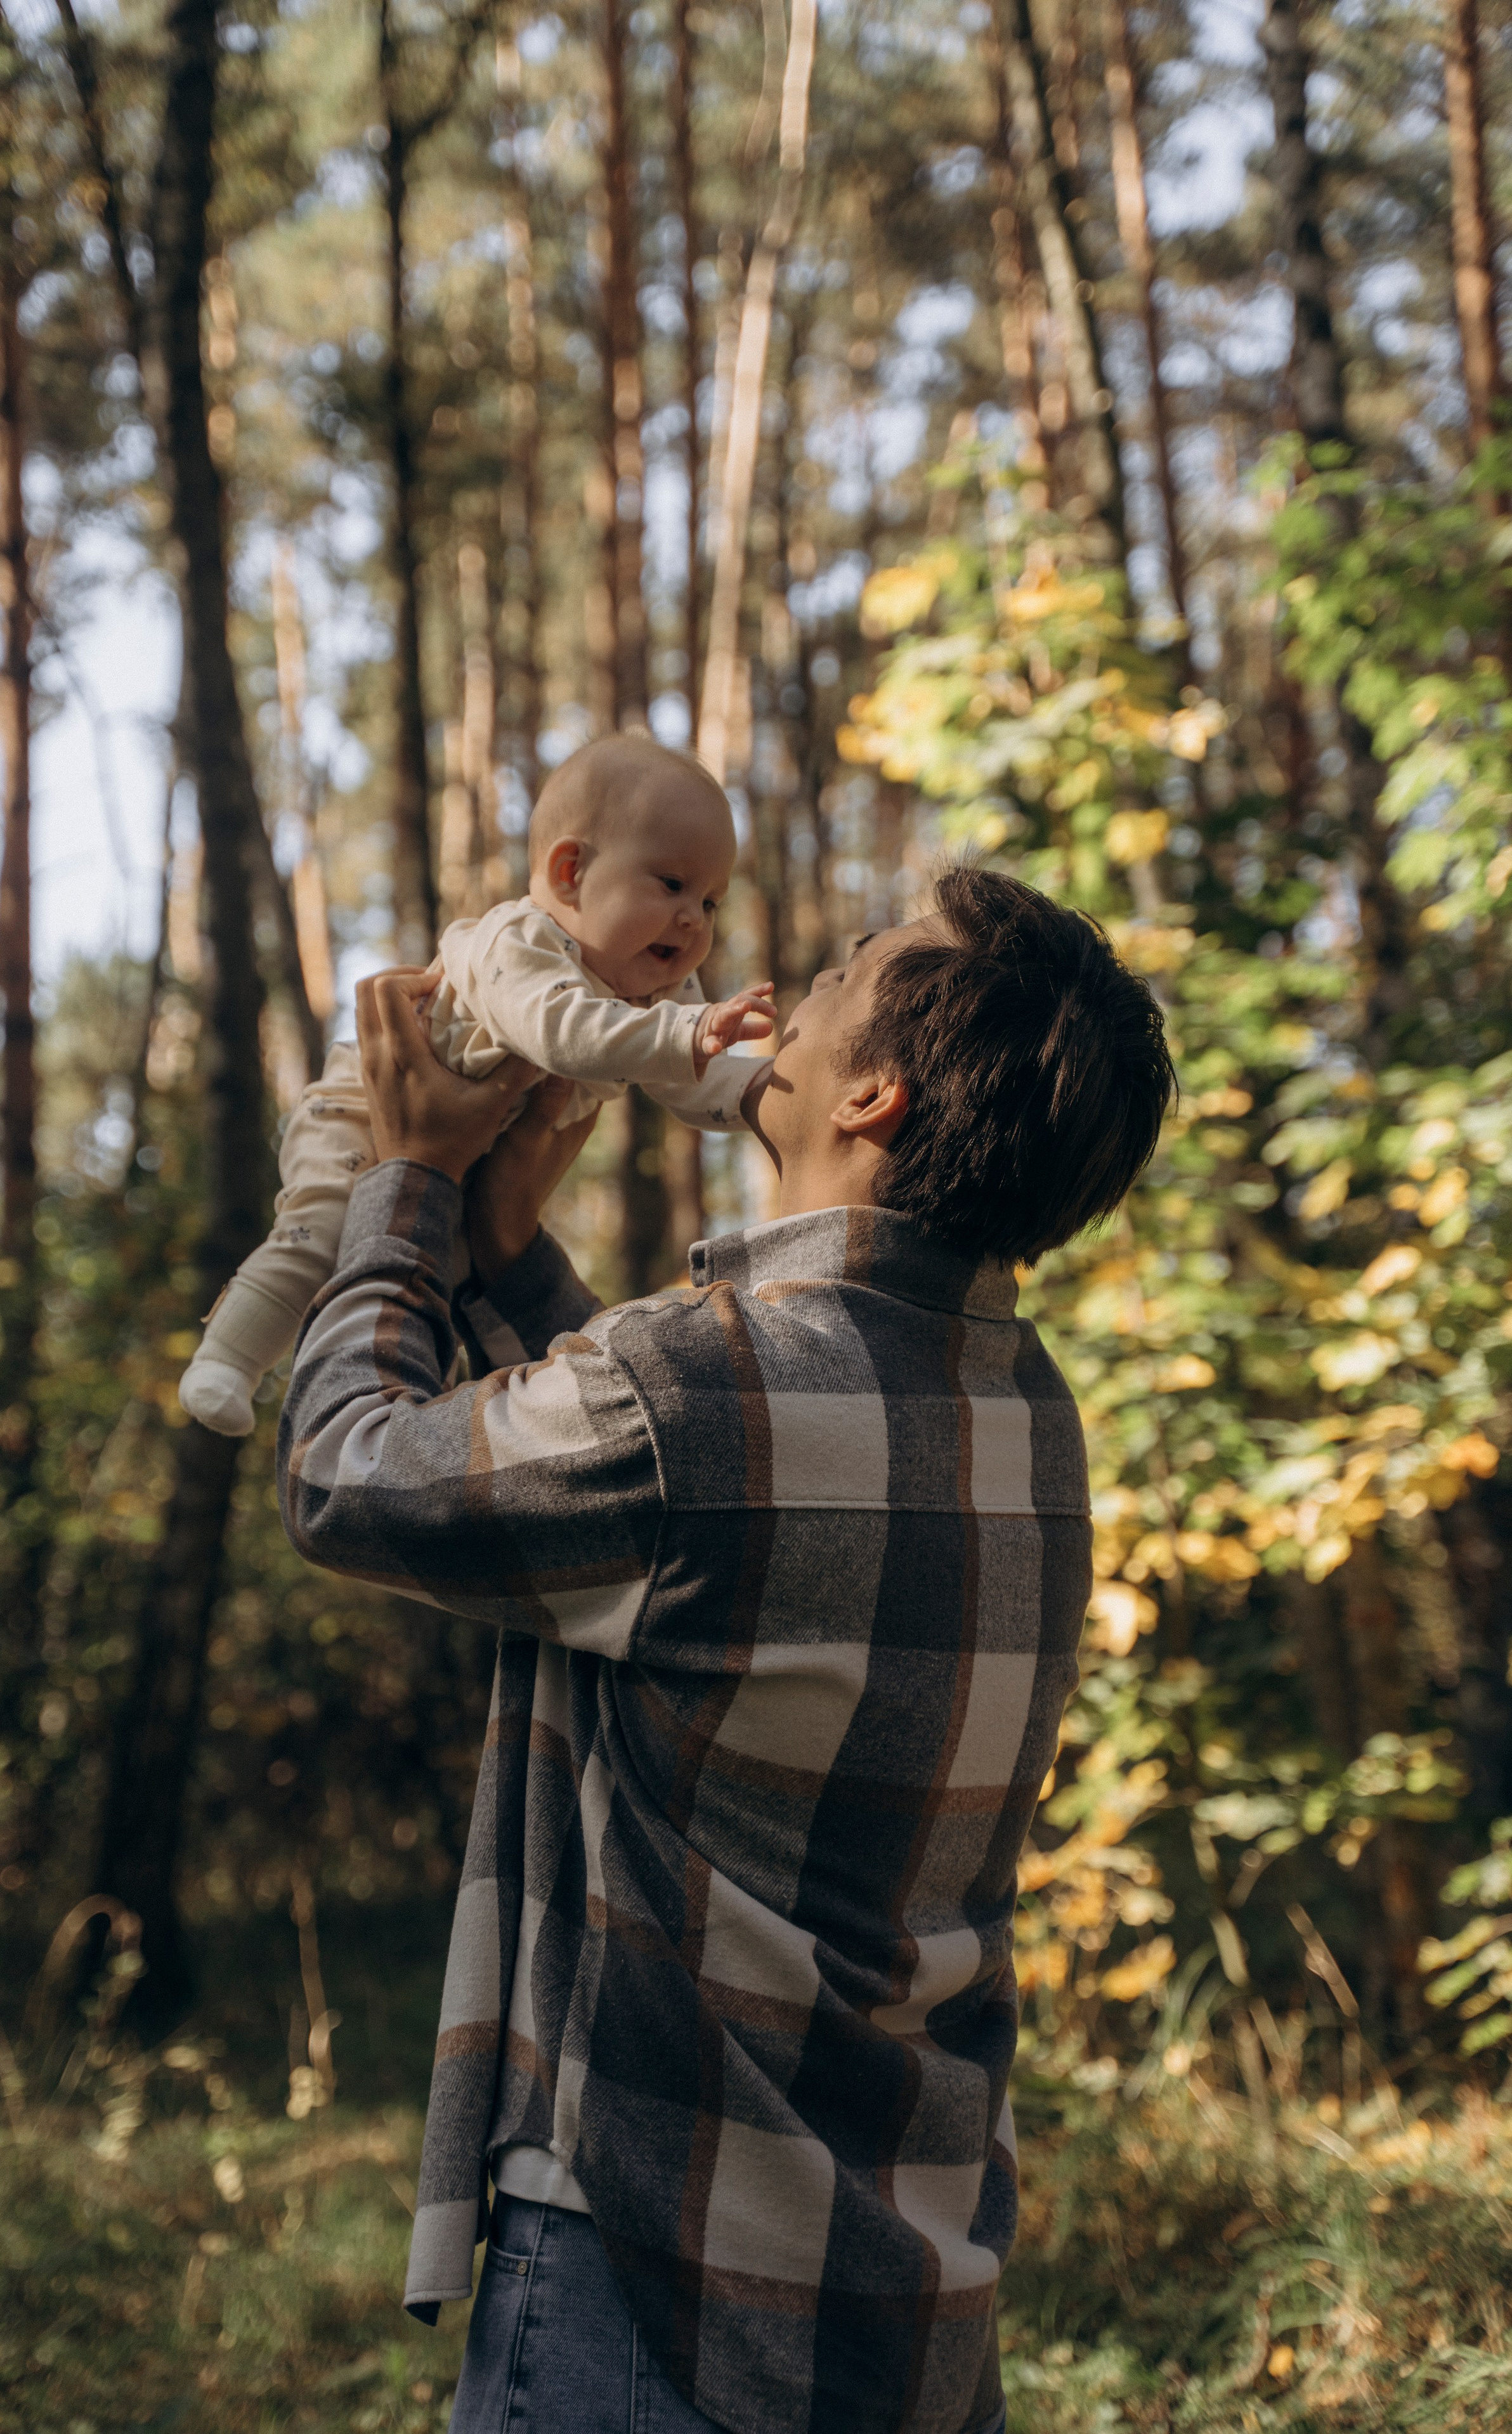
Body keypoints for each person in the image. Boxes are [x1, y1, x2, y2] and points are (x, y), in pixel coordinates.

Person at [276, 864, 1175, 2434]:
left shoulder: (699, 1397)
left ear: (873, 1095)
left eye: (839, 975)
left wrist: (409, 1185)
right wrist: (506, 1254)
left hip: (650, 2283)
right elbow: (693, 1510)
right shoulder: (1028, 1423)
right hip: (909, 2300)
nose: (790, 993)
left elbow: (344, 1474)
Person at [180, 735, 774, 1435]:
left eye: (711, 902)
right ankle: (227, 1360)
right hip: (363, 1114)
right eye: (672, 885)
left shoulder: (660, 991)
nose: (693, 919)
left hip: (463, 1165)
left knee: (442, 1281)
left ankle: (424, 1417)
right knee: (324, 1229)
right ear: (571, 873)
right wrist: (688, 1034)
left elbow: (693, 1082)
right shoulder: (518, 943)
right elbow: (560, 1031)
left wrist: (766, 1090)